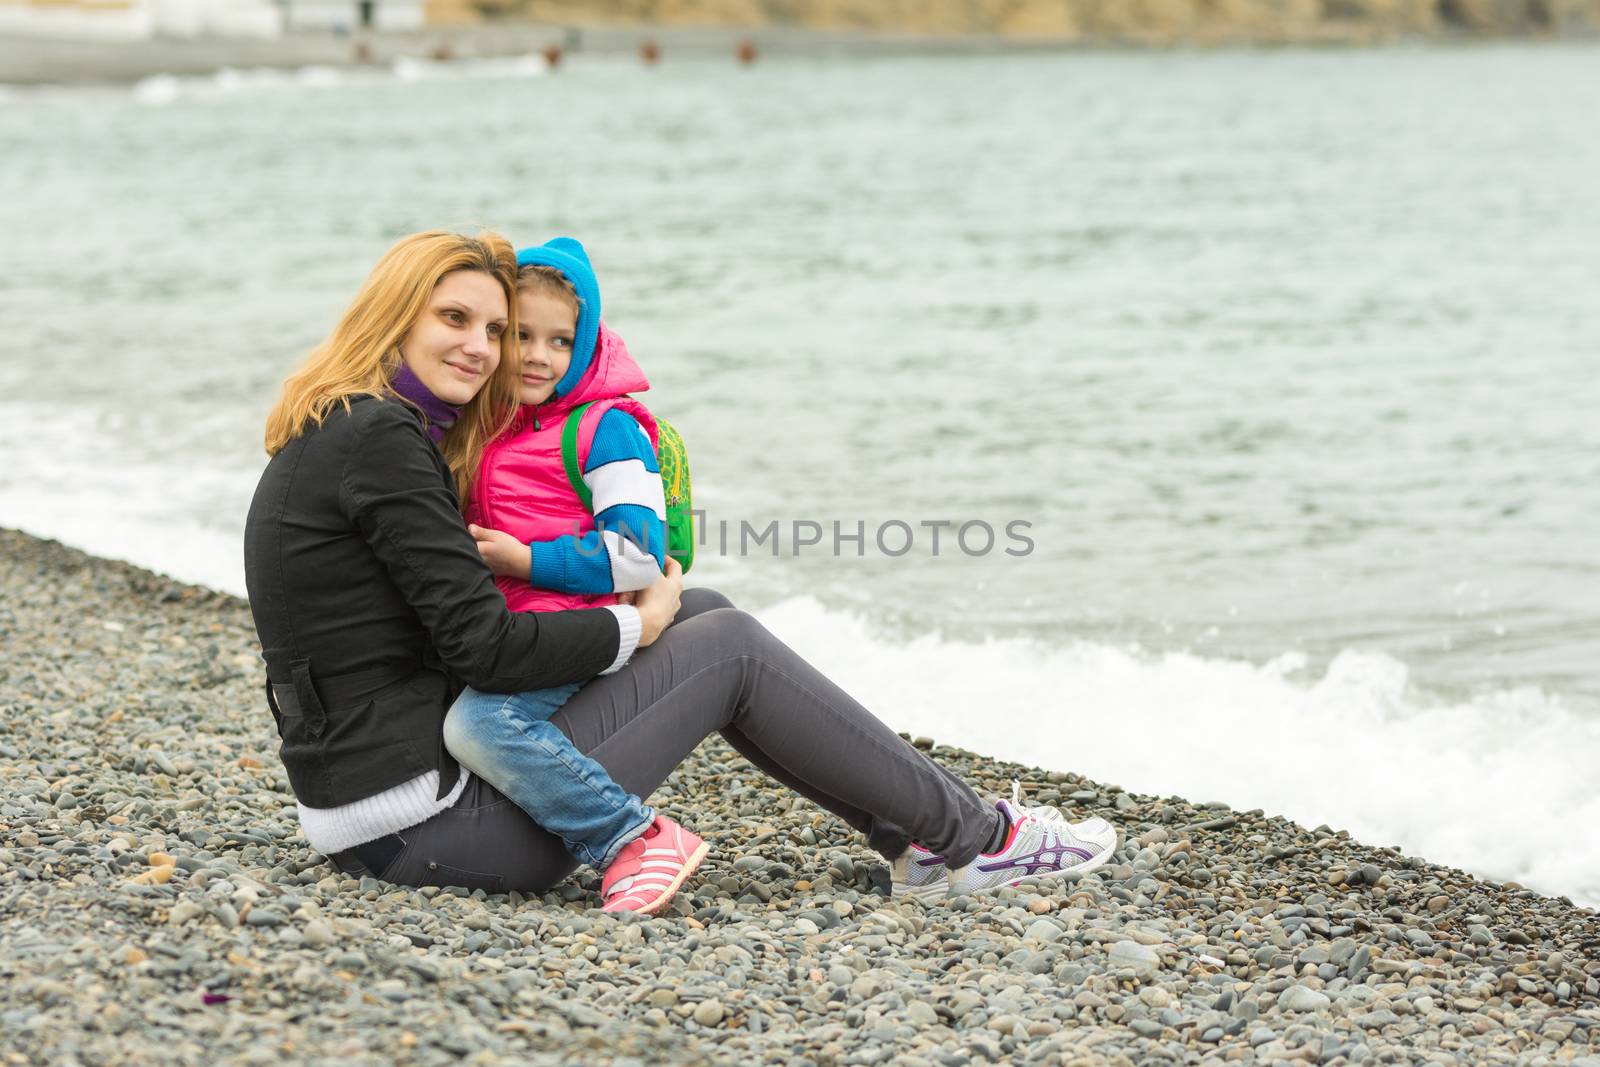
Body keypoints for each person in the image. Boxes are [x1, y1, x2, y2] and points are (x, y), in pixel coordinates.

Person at [243, 229, 1119, 906]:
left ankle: (920, 838)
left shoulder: (347, 427)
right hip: (429, 832)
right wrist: (639, 622)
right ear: (394, 314)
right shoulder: (384, 442)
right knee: (722, 641)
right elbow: (484, 650)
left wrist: (661, 613)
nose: (483, 348)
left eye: (497, 330)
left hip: (380, 804)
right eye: (454, 319)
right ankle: (977, 839)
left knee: (705, 606)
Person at [446, 237, 706, 913]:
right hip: (512, 628)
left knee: (479, 726)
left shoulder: (605, 427)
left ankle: (632, 835)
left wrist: (525, 559)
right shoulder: (492, 425)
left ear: (586, 343)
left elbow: (640, 555)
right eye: (523, 335)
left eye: (560, 341)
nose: (537, 354)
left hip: (580, 626)